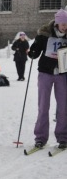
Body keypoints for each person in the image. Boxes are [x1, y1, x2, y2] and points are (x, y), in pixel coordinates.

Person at [28, 9, 67, 149]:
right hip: (45, 73)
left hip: (62, 74)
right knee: (43, 106)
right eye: (63, 23)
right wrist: (33, 50)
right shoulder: (45, 35)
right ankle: (40, 137)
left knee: (63, 107)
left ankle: (63, 137)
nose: (65, 26)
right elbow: (35, 53)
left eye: (66, 24)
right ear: (57, 23)